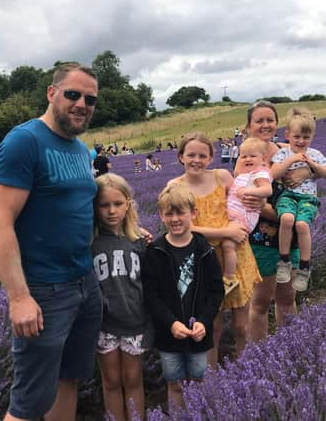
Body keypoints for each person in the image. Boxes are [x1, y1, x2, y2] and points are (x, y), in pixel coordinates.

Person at [0, 63, 103, 421]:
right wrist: (19, 297)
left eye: (90, 99)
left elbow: (79, 209)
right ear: (52, 94)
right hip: (44, 290)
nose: (82, 104)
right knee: (29, 402)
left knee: (69, 380)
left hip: (85, 282)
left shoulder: (82, 150)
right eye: (73, 94)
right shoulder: (25, 141)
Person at [169, 132, 262, 368]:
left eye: (202, 155)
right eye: (191, 155)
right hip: (202, 262)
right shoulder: (175, 187)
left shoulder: (222, 177)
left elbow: (241, 206)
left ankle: (247, 370)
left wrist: (240, 223)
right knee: (212, 326)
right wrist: (225, 233)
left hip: (236, 256)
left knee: (241, 325)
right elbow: (180, 228)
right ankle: (211, 381)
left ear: (211, 157)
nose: (196, 160)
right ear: (181, 157)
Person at [142, 182, 224, 409]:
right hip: (170, 334)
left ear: (193, 214)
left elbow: (217, 291)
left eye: (181, 213)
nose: (175, 219)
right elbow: (151, 295)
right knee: (175, 383)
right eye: (169, 214)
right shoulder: (155, 252)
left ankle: (200, 413)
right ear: (161, 216)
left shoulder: (205, 250)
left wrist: (205, 322)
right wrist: (170, 323)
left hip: (199, 332)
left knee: (199, 380)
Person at [246, 101, 311, 342]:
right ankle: (258, 357)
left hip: (291, 236)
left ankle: (291, 349)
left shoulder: (289, 150)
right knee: (260, 303)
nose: (265, 125)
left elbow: (310, 180)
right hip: (261, 239)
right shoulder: (247, 157)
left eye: (269, 120)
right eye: (259, 120)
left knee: (287, 299)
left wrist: (308, 174)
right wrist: (287, 215)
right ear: (249, 126)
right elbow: (251, 204)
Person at [91, 173, 149, 421]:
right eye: (104, 205)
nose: (111, 211)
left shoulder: (138, 242)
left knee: (133, 379)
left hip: (135, 322)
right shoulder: (90, 243)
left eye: (117, 204)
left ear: (128, 204)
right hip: (104, 326)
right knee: (111, 381)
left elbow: (149, 284)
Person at [272, 107, 326, 291]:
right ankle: (284, 261)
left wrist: (313, 166)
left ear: (312, 137)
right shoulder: (283, 154)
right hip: (288, 195)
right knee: (286, 218)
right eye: (297, 136)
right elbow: (273, 173)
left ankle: (304, 267)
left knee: (302, 225)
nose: (301, 141)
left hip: (308, 198)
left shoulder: (315, 154)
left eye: (306, 137)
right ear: (287, 135)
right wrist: (290, 161)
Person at [223, 137, 272, 295]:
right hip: (233, 215)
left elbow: (267, 190)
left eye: (252, 156)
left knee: (228, 245)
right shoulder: (243, 174)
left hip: (243, 217)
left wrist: (248, 192)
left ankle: (230, 279)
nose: (247, 159)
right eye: (243, 156)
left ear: (263, 159)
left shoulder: (260, 173)